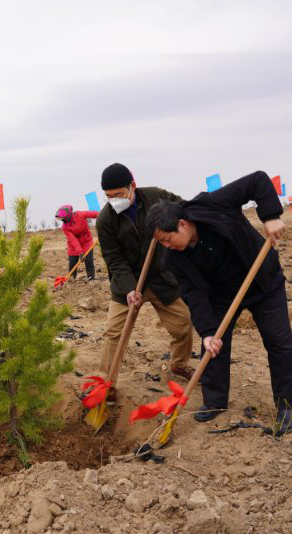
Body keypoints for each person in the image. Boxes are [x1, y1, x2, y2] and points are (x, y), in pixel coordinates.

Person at [145, 170, 292, 433]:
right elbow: (193, 294)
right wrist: (206, 332)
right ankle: (215, 401)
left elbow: (258, 180)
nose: (167, 246)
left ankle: (286, 404)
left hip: (262, 280)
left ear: (182, 224)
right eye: (161, 243)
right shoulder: (172, 258)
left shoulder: (210, 205)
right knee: (213, 344)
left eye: (168, 240)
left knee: (278, 341)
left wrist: (271, 216)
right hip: (222, 293)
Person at [96, 163, 195, 404]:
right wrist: (130, 288)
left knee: (183, 323)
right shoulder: (105, 220)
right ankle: (106, 384)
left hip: (161, 276)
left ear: (132, 186)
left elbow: (185, 209)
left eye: (118, 195)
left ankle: (180, 365)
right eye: (109, 197)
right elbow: (114, 260)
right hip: (127, 283)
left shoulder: (156, 197)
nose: (114, 201)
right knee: (114, 333)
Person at [55, 204, 98, 281]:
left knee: (89, 262)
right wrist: (80, 253)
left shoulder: (80, 214)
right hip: (73, 246)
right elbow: (73, 240)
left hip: (86, 242)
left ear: (68, 216)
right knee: (72, 264)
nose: (62, 221)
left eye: (63, 219)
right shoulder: (65, 227)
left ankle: (91, 280)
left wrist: (103, 217)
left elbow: (93, 214)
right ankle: (71, 281)